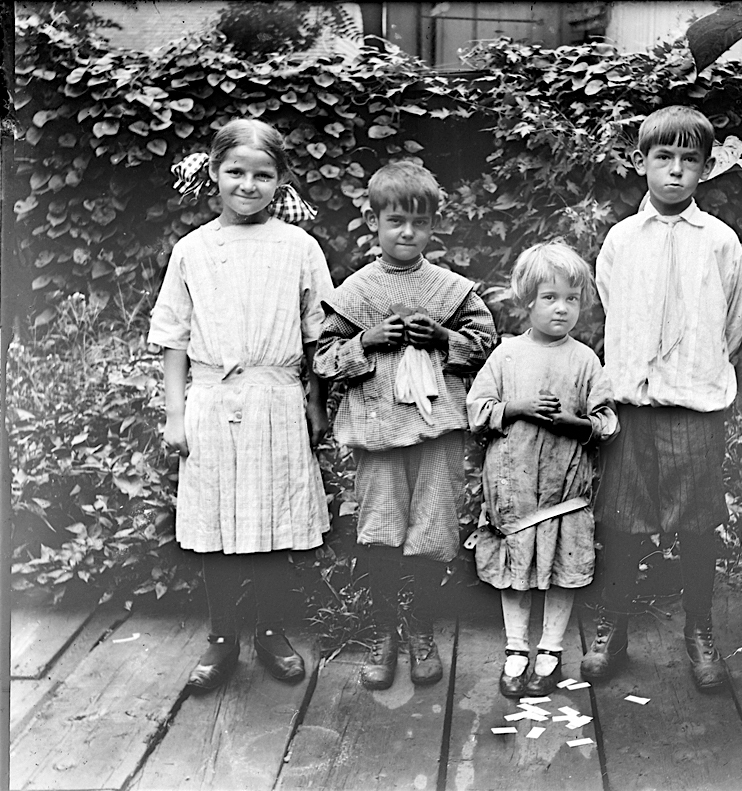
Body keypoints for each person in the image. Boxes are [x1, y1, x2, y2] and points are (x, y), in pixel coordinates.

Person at [148, 118, 336, 692]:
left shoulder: (298, 247)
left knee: (275, 522)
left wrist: (315, 400)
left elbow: (317, 335)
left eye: (262, 175)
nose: (248, 185)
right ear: (214, 173)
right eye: (236, 172)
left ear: (279, 182)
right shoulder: (193, 250)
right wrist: (175, 413)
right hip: (211, 401)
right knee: (216, 525)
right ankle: (223, 637)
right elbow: (174, 338)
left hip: (277, 399)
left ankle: (272, 631)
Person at [582, 105, 742, 692]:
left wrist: (695, 374)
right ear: (641, 163)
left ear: (706, 168)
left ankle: (699, 631)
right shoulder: (621, 240)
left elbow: (734, 320)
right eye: (663, 158)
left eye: (688, 161)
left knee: (697, 525)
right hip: (633, 407)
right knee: (623, 522)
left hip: (694, 408)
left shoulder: (720, 242)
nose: (675, 172)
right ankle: (614, 626)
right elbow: (612, 308)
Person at [313, 160, 496, 690]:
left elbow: (486, 346)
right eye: (395, 221)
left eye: (419, 222)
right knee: (381, 528)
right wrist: (364, 343)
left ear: (434, 226)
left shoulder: (452, 290)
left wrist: (443, 338)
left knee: (432, 529)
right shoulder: (357, 292)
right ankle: (383, 631)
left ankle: (420, 627)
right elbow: (323, 357)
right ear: (373, 222)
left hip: (437, 431)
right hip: (377, 433)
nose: (407, 233)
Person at [467, 241, 618, 698]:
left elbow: (608, 422)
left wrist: (577, 423)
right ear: (527, 301)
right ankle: (516, 649)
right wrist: (518, 407)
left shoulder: (585, 360)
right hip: (515, 493)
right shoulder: (506, 356)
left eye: (571, 299)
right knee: (516, 570)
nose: (562, 309)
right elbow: (476, 411)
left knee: (562, 567)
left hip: (564, 493)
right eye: (550, 298)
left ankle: (550, 651)